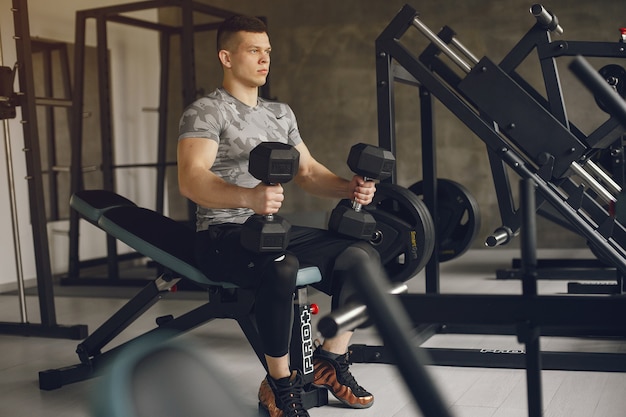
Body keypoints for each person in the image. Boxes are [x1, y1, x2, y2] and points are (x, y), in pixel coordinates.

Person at [177, 15, 384, 417]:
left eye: (267, 51)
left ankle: (331, 361)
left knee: (362, 257)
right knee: (280, 266)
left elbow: (307, 172)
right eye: (253, 50)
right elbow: (191, 179)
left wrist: (349, 187)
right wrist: (247, 197)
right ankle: (280, 383)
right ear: (226, 56)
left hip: (270, 230)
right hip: (221, 233)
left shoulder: (280, 113)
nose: (264, 58)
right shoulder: (205, 111)